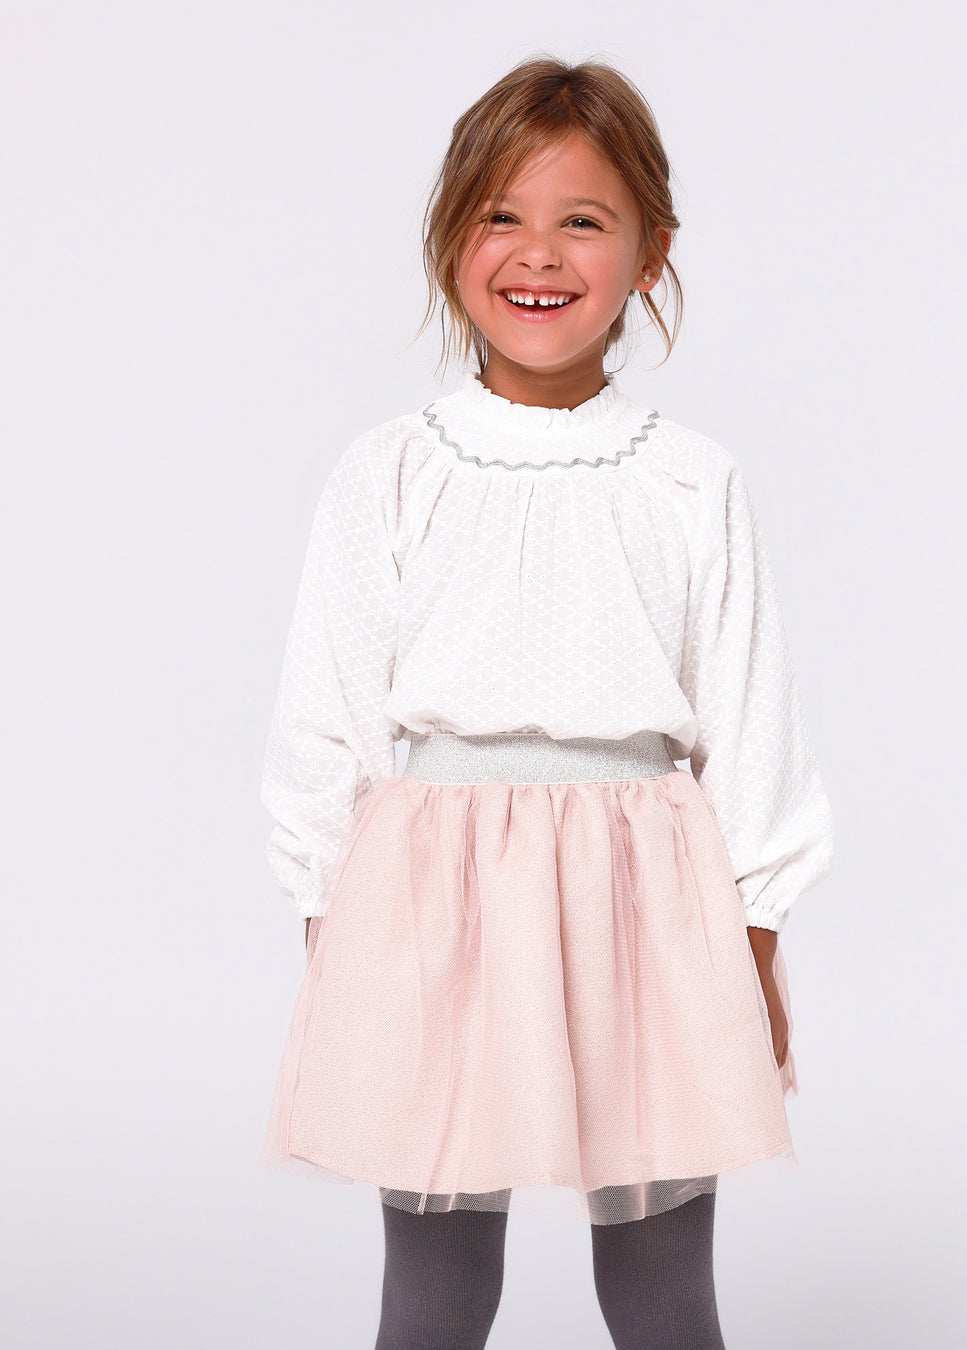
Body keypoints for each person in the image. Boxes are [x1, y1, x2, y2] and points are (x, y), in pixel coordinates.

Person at [256, 54, 834, 1350]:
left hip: (648, 894)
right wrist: (331, 923)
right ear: (447, 240)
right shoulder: (391, 473)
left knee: (664, 1288)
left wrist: (755, 938)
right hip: (437, 894)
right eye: (501, 215)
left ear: (650, 252)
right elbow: (325, 718)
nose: (538, 253)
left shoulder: (688, 480)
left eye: (582, 219)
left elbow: (749, 717)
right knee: (438, 1287)